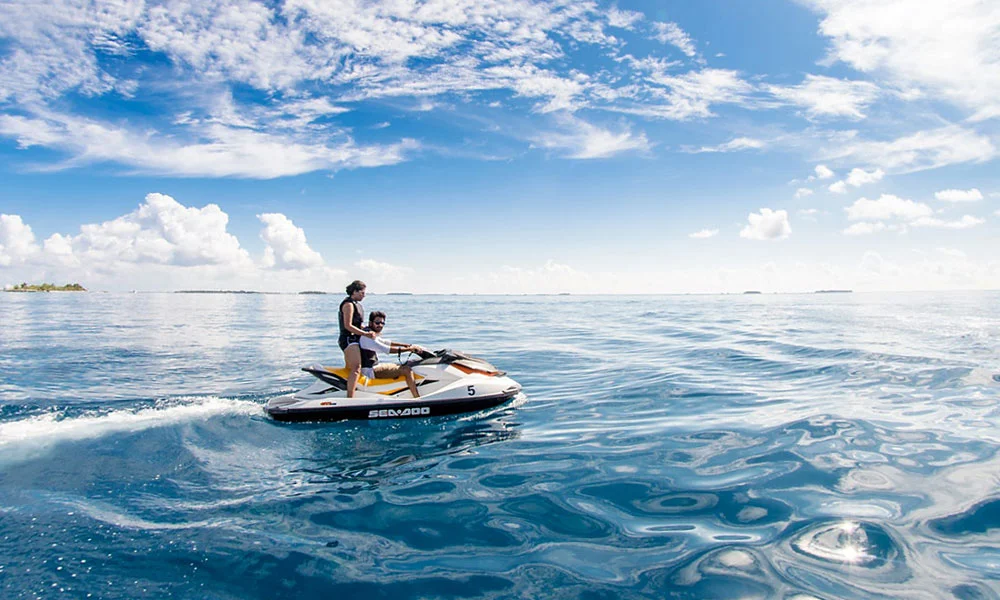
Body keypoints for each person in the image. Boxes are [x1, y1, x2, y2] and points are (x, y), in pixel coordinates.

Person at [359, 311, 427, 398]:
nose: (380, 325)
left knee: (405, 364)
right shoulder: (367, 337)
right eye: (377, 323)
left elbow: (385, 342)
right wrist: (409, 349)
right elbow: (386, 349)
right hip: (370, 371)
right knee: (407, 370)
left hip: (373, 366)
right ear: (370, 323)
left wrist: (406, 345)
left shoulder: (369, 333)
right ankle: (417, 398)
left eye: (382, 323)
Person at [339, 280, 376, 398]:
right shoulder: (348, 305)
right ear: (354, 291)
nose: (364, 295)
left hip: (355, 339)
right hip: (348, 339)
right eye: (362, 293)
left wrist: (369, 331)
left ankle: (352, 389)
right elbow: (348, 325)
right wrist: (365, 334)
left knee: (353, 368)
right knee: (356, 367)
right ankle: (350, 397)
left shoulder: (357, 305)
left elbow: (358, 325)